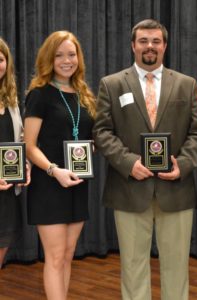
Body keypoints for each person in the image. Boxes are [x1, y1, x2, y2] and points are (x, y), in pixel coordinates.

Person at [92, 19, 197, 300]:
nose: (150, 46)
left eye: (156, 41)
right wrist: (129, 162)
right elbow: (102, 132)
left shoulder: (186, 84)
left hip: (176, 189)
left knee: (177, 266)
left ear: (165, 46)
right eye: (143, 41)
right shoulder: (112, 84)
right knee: (132, 266)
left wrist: (183, 164)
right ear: (133, 45)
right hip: (129, 188)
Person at [24, 31, 95, 300]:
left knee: (67, 255)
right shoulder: (39, 95)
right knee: (54, 258)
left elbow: (85, 136)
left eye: (71, 54)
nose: (67, 60)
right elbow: (30, 146)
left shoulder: (83, 94)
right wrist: (55, 170)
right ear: (48, 59)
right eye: (59, 55)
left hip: (77, 183)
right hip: (50, 184)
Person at [0, 37, 30, 269]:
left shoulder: (11, 100)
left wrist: (25, 165)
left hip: (7, 190)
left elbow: (19, 140)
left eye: (0, 59)